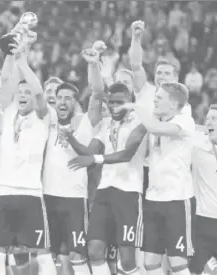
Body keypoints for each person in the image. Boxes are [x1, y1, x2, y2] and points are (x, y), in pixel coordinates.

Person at [0, 27, 57, 275]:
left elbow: (38, 90)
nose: (25, 94)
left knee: (42, 254)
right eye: (21, 92)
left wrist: (22, 60)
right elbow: (7, 80)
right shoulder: (8, 114)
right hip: (5, 193)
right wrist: (12, 52)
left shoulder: (43, 117)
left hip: (31, 195)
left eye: (27, 92)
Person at [68, 81, 147, 275]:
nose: (114, 107)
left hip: (128, 194)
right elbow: (88, 152)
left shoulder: (141, 122)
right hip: (103, 193)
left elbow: (127, 153)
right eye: (111, 102)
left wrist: (95, 158)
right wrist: (70, 137)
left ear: (131, 101)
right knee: (94, 251)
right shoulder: (105, 124)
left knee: (127, 259)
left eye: (119, 102)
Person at [42, 41, 106, 275]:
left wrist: (93, 65)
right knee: (47, 253)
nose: (63, 101)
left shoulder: (84, 123)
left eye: (69, 98)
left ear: (76, 103)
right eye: (60, 97)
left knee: (78, 254)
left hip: (74, 200)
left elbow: (98, 94)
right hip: (47, 196)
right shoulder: (46, 122)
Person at [118, 82, 195, 275]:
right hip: (153, 200)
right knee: (150, 263)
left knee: (178, 263)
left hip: (177, 200)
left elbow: (155, 128)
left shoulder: (185, 121)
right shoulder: (154, 121)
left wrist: (136, 107)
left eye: (159, 98)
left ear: (172, 103)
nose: (154, 100)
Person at [190, 105, 217, 275]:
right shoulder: (197, 145)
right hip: (202, 223)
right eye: (207, 119)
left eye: (214, 119)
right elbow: (184, 128)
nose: (208, 122)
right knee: (192, 271)